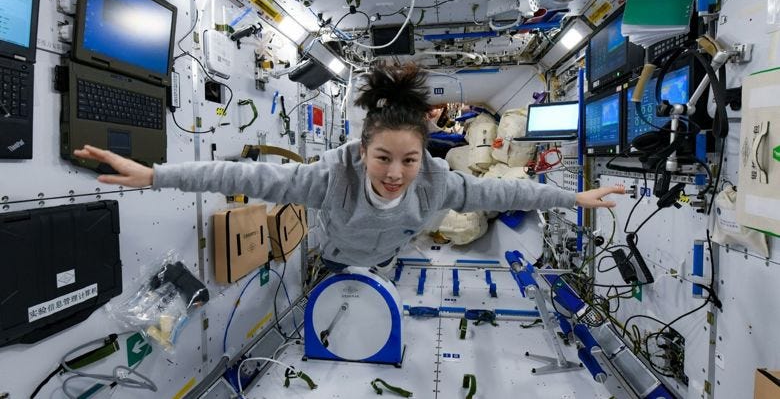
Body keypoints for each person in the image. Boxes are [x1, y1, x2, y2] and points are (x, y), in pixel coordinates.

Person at [74, 63, 624, 272]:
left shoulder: (437, 187)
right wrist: (154, 175)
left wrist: (573, 199)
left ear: (423, 157)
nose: (394, 172)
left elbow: (512, 194)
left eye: (409, 159)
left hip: (385, 256)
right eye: (383, 157)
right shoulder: (326, 179)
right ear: (362, 152)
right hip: (334, 252)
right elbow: (241, 176)